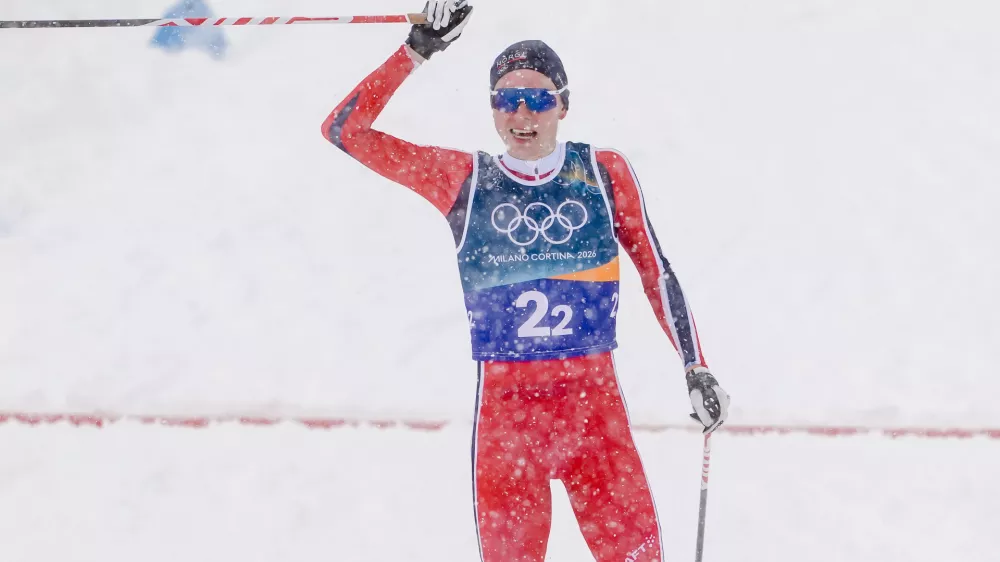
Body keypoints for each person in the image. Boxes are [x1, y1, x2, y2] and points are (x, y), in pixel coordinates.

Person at [320, 2, 730, 560]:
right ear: (492, 109)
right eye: (506, 99)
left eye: (538, 98)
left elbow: (655, 270)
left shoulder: (603, 172)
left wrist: (695, 365)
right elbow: (345, 130)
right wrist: (417, 51)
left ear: (563, 105)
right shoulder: (465, 181)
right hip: (509, 427)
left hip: (595, 418)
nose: (522, 112)